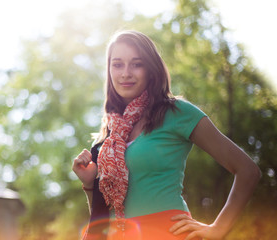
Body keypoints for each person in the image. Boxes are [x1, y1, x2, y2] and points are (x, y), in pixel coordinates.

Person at [72, 30, 260, 240]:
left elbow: (248, 170)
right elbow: (103, 219)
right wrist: (90, 184)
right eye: (117, 64)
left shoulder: (177, 112)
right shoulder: (110, 133)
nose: (126, 73)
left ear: (151, 69)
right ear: (109, 70)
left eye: (137, 64)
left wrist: (218, 229)